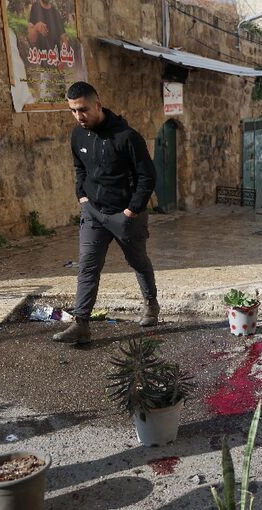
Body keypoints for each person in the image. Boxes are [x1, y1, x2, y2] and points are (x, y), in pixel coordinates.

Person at [53, 82, 159, 345]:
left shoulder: (127, 137)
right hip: (93, 214)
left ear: (98, 105)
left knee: (138, 262)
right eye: (73, 111)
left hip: (125, 216)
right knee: (88, 267)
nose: (79, 116)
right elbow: (79, 167)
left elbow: (147, 176)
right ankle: (81, 324)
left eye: (83, 109)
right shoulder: (78, 135)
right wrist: (81, 195)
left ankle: (151, 304)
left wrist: (132, 210)